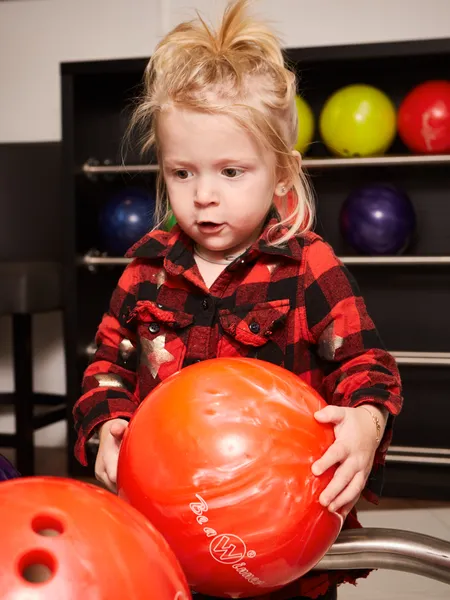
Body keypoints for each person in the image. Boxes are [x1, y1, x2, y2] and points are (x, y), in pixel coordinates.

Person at [73, 1, 403, 598]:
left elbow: (366, 366)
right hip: (169, 528)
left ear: (280, 173)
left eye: (231, 172)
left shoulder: (309, 266)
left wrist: (365, 423)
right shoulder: (144, 271)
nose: (203, 196)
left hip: (278, 538)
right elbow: (106, 368)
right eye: (181, 173)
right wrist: (108, 426)